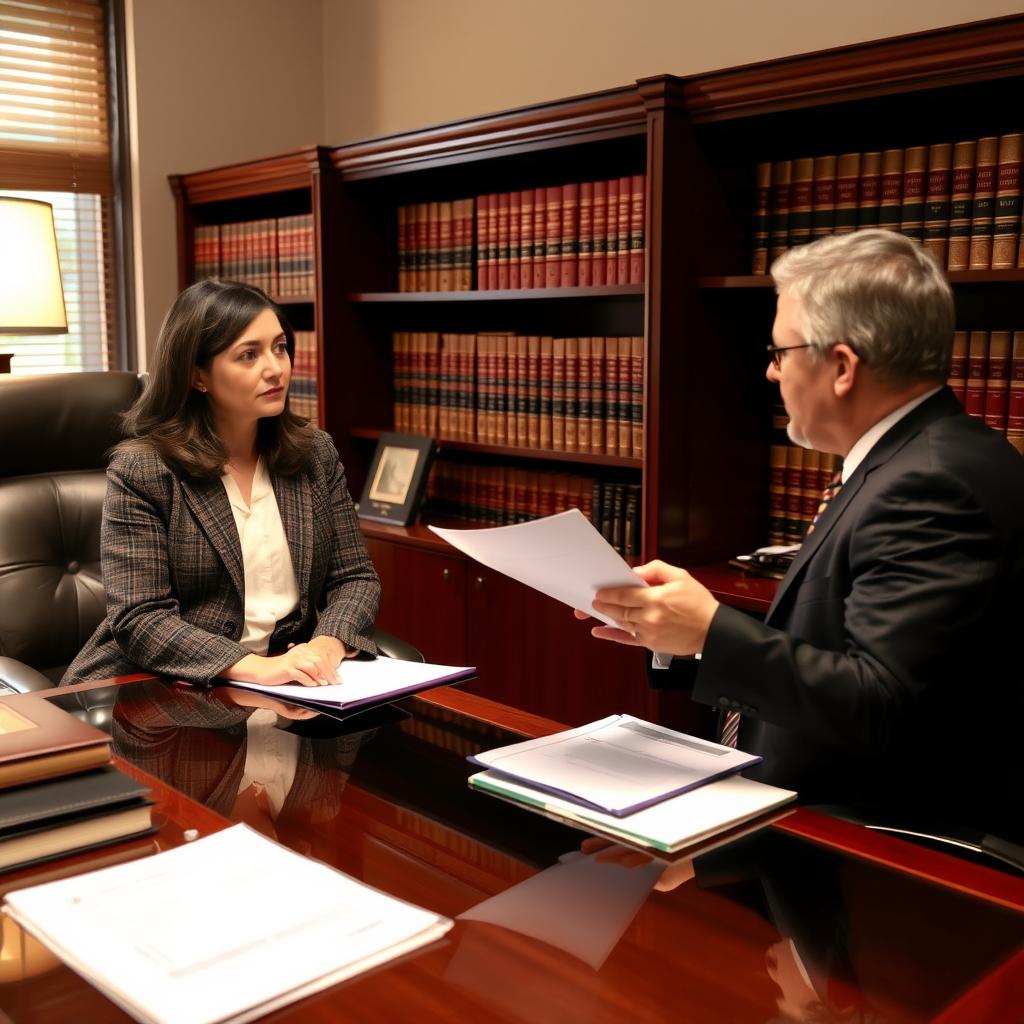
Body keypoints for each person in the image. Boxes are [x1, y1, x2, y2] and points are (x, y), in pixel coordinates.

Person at [581, 229, 1024, 842]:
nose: (769, 371)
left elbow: (880, 702)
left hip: (878, 857)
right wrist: (688, 635)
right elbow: (835, 646)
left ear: (841, 367)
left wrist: (712, 631)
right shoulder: (908, 458)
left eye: (780, 351)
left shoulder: (930, 483)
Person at [63, 280, 380, 689]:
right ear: (198, 376)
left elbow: (355, 578)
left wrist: (328, 642)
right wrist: (257, 667)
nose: (275, 368)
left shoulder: (314, 454)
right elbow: (140, 619)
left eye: (279, 347)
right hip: (152, 690)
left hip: (285, 689)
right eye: (249, 355)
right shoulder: (145, 470)